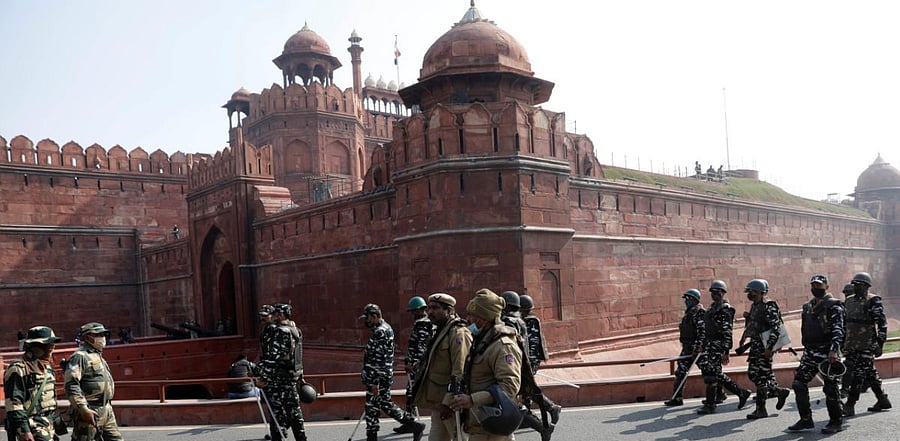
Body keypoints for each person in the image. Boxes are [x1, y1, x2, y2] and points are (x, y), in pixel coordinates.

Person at [450, 288, 523, 441]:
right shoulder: (482, 343)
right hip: (480, 423)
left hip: (494, 424)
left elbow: (509, 385)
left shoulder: (503, 346)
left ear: (484, 319)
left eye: (472, 315)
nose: (468, 320)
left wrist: (472, 399)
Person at [788, 275, 845, 433]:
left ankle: (836, 421)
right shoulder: (808, 307)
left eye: (819, 285)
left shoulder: (834, 306)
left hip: (828, 353)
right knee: (799, 383)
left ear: (827, 287)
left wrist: (834, 349)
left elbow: (838, 330)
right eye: (813, 285)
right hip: (811, 352)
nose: (816, 288)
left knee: (830, 388)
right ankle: (805, 419)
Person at [359, 303, 425, 441]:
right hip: (381, 375)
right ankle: (413, 425)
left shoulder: (380, 332)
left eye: (368, 318)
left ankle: (413, 426)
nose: (366, 321)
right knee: (382, 404)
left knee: (374, 407)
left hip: (378, 377)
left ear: (375, 316)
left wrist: (374, 382)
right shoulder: (383, 328)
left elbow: (378, 360)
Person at [411, 293, 472, 441]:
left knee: (460, 438)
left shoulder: (458, 333)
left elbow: (460, 369)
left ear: (449, 311)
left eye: (435, 308)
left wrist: (448, 401)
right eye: (429, 308)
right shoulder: (439, 331)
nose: (430, 312)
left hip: (451, 402)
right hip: (438, 401)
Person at [695, 280, 751, 414]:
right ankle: (739, 393)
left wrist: (726, 351)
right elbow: (706, 329)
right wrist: (703, 345)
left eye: (718, 292)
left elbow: (727, 331)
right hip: (709, 345)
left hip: (718, 346)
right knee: (713, 374)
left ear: (723, 293)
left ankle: (711, 404)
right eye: (713, 292)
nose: (715, 294)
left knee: (712, 376)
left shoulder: (725, 310)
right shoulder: (711, 308)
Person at [739, 279, 791, 419]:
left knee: (761, 377)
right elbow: (754, 324)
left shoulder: (769, 306)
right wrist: (744, 337)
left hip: (765, 346)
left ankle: (761, 409)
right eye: (749, 291)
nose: (750, 294)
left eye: (753, 292)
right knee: (753, 374)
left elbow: (776, 328)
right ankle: (779, 392)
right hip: (756, 345)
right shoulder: (755, 306)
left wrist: (770, 348)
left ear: (762, 292)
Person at [842, 272, 891, 416]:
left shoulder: (873, 301)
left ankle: (850, 404)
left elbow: (882, 324)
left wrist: (880, 344)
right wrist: (842, 342)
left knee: (858, 374)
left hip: (867, 345)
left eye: (859, 285)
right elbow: (845, 323)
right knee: (869, 373)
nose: (856, 287)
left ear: (866, 286)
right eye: (854, 284)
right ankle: (882, 399)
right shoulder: (849, 301)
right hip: (851, 344)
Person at [64, 322, 123, 441]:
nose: (102, 337)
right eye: (98, 334)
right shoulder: (80, 356)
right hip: (90, 409)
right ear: (87, 337)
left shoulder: (97, 355)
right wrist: (83, 409)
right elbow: (71, 385)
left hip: (106, 409)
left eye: (103, 334)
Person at [4, 326, 64, 441]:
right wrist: (24, 430)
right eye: (46, 344)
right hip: (32, 426)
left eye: (52, 343)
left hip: (48, 424)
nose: (51, 347)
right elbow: (14, 404)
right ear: (34, 346)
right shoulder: (18, 369)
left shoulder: (46, 367)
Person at [258, 304, 307, 441]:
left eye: (275, 314)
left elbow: (274, 358)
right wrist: (301, 375)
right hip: (292, 375)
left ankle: (279, 436)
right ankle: (301, 438)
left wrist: (263, 378)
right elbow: (298, 355)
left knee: (277, 411)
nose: (273, 317)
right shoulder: (295, 330)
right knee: (294, 411)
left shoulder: (281, 331)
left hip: (280, 378)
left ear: (281, 315)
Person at [520, 294, 563, 424]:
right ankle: (528, 416)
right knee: (526, 389)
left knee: (528, 388)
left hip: (530, 360)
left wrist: (528, 364)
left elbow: (532, 344)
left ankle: (550, 408)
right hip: (526, 360)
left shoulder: (531, 321)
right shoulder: (523, 320)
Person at [397, 295, 432, 429]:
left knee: (412, 393)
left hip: (417, 366)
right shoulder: (423, 322)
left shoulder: (423, 324)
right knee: (411, 393)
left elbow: (421, 347)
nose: (412, 314)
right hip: (416, 364)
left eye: (413, 311)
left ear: (420, 310)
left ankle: (410, 423)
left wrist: (413, 364)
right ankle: (409, 422)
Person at [666, 289, 706, 407]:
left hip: (697, 350)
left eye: (688, 299)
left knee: (709, 373)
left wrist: (698, 348)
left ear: (694, 299)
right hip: (687, 348)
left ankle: (721, 394)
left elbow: (702, 332)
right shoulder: (689, 313)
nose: (686, 301)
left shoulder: (699, 312)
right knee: (680, 372)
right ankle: (677, 398)